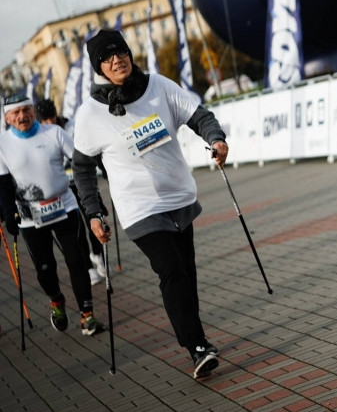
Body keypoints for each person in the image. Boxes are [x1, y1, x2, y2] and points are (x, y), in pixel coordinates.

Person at [71, 29, 230, 380]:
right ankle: (197, 346)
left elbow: (199, 115)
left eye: (121, 53)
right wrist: (94, 212)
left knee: (186, 273)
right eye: (107, 58)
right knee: (170, 270)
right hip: (139, 209)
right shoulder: (90, 114)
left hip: (179, 199)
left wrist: (215, 139)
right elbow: (82, 170)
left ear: (130, 53)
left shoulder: (158, 86)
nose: (117, 61)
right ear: (99, 67)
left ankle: (197, 337)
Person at [0, 92, 107, 336]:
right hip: (30, 216)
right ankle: (56, 301)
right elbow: (3, 185)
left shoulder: (54, 133)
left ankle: (87, 316)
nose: (22, 116)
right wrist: (8, 215)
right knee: (45, 269)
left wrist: (96, 201)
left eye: (26, 110)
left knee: (77, 262)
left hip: (64, 206)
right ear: (7, 117)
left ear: (33, 111)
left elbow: (81, 164)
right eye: (15, 113)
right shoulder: (3, 144)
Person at [35, 98, 108, 285]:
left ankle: (97, 254)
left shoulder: (73, 126)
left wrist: (105, 168)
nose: (49, 123)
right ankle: (89, 268)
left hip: (82, 184)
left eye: (51, 117)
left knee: (95, 219)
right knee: (78, 230)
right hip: (64, 191)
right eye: (45, 120)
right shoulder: (41, 136)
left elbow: (90, 149)